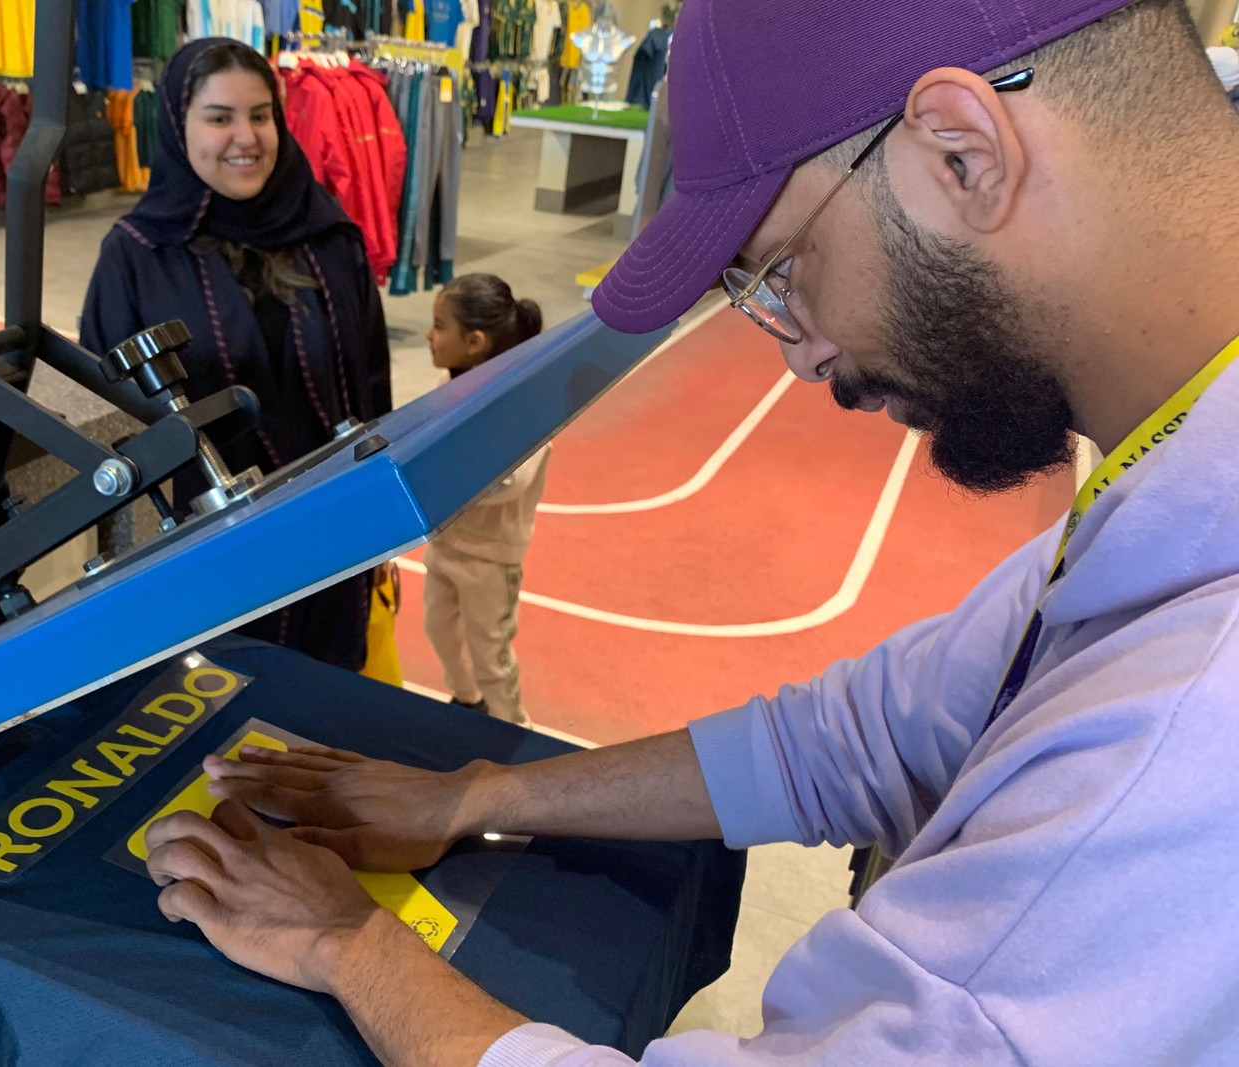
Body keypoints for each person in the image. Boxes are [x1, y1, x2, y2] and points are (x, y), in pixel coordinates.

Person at [139, 0, 1239, 1063]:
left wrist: (349, 941)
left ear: (961, 152)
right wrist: (475, 793)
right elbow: (871, 732)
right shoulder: (1173, 467)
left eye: (778, 274)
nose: (800, 354)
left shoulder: (1190, 727)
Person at [81, 38, 392, 675]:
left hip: (329, 543)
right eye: (218, 117)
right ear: (177, 124)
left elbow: (373, 388)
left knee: (324, 719)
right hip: (204, 564)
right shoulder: (138, 255)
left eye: (260, 115)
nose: (245, 137)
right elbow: (105, 436)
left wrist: (379, 514)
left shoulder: (329, 239)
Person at [423, 273, 548, 726]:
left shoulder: (520, 403)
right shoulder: (450, 389)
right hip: (447, 545)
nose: (429, 336)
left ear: (474, 341)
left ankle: (511, 726)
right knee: (438, 629)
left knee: (489, 651)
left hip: (489, 559)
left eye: (439, 325)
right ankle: (466, 699)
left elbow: (510, 480)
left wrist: (442, 473)